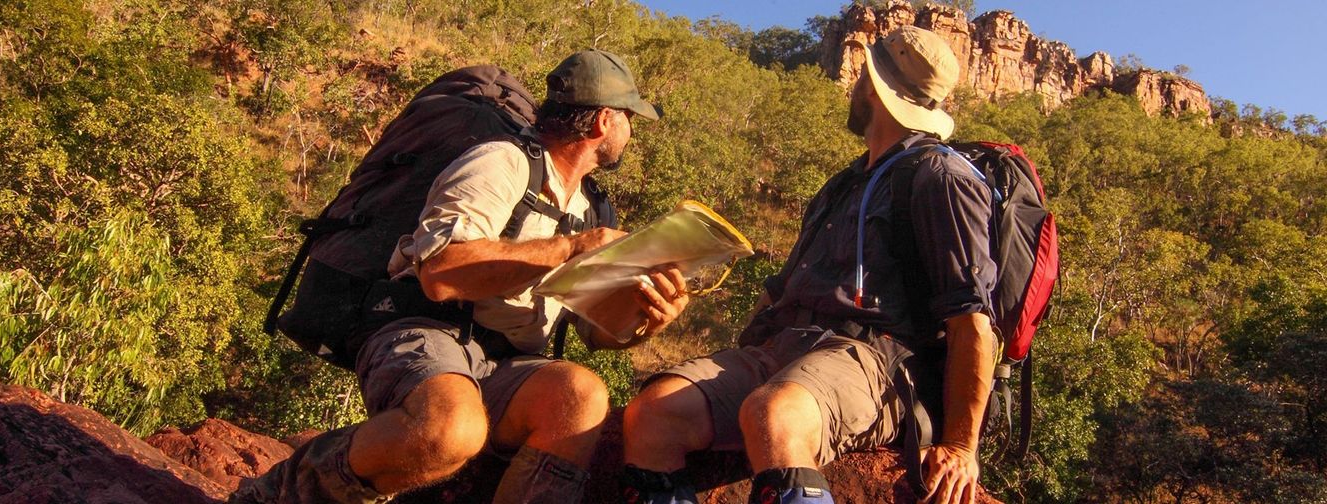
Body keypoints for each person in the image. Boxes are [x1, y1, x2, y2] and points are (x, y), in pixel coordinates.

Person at [235, 50, 690, 504]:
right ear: (603, 122)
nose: (632, 130)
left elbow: (593, 330)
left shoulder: (589, 208)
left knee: (581, 395)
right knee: (451, 429)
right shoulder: (502, 163)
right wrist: (569, 248)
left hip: (506, 356)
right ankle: (285, 490)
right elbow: (440, 273)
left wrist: (648, 319)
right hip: (422, 328)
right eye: (630, 116)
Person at [621, 27, 998, 504]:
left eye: (864, 74)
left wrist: (962, 445)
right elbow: (782, 288)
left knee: (774, 413)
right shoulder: (842, 184)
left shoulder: (940, 177)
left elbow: (972, 320)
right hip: (787, 347)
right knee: (654, 412)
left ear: (874, 87)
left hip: (875, 362)